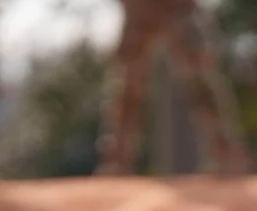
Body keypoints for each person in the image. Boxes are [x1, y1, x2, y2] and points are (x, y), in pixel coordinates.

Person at [98, 0, 246, 177]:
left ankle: (226, 154)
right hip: (139, 9)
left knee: (199, 82)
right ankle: (117, 162)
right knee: (128, 88)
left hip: (178, 8)